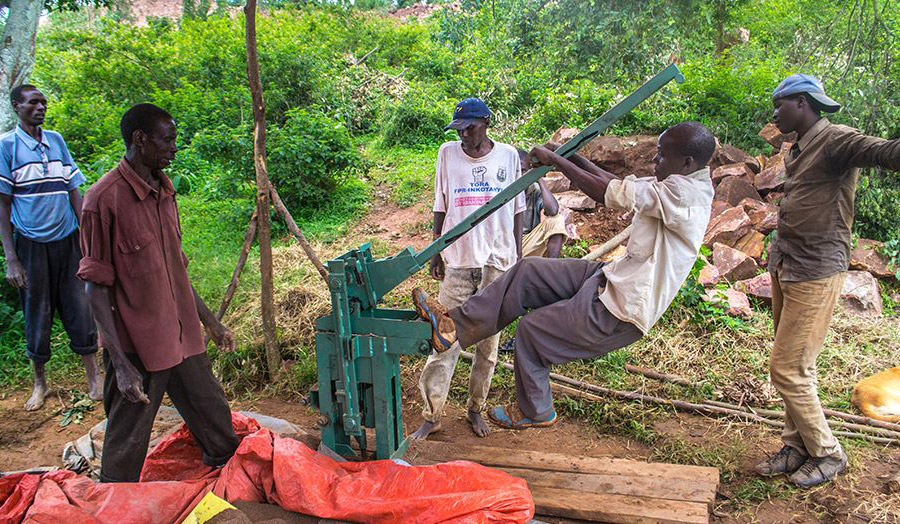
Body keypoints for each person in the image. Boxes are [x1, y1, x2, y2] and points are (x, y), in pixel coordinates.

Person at [412, 122, 716, 431]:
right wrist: (567, 155)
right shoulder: (676, 180)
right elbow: (617, 182)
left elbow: (609, 193)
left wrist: (558, 162)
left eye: (662, 155)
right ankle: (453, 328)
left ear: (687, 162)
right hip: (613, 277)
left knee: (532, 332)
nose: (655, 161)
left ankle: (537, 409)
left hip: (623, 307)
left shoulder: (683, 194)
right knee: (529, 272)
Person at [752, 74, 900, 489]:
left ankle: (827, 452)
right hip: (788, 264)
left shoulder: (836, 139)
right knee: (798, 366)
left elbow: (885, 153)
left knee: (787, 369)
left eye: (779, 105)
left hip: (817, 268)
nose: (774, 114)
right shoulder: (798, 146)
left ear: (801, 103)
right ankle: (795, 446)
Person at [77, 103, 239, 482]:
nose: (174, 147)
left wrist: (212, 324)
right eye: (167, 139)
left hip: (182, 335)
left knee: (215, 418)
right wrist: (120, 362)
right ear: (140, 139)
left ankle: (231, 484)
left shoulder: (165, 190)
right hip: (139, 345)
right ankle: (116, 501)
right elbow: (95, 288)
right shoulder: (102, 200)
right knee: (127, 440)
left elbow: (176, 272)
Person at [410, 98, 525, 440]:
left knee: (488, 347)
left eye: (470, 128)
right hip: (458, 260)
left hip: (497, 261)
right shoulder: (447, 153)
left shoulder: (507, 155)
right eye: (458, 129)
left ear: (487, 122)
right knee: (444, 340)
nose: (463, 135)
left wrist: (515, 257)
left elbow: (517, 208)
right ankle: (432, 415)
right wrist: (435, 250)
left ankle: (475, 409)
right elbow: (440, 201)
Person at [0, 84, 101, 411]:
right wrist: (11, 258)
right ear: (17, 106)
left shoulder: (55, 140)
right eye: (32, 102)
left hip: (68, 240)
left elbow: (74, 190)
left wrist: (88, 237)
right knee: (37, 314)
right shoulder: (7, 146)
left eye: (43, 102)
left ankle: (94, 378)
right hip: (30, 245)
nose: (40, 107)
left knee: (80, 307)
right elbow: (3, 206)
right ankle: (40, 383)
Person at [518, 149, 569, 259]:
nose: (520, 176)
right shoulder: (500, 191)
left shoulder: (534, 190)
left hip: (527, 244)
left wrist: (539, 179)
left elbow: (553, 210)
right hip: (505, 246)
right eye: (517, 171)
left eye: (524, 171)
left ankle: (551, 267)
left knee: (556, 220)